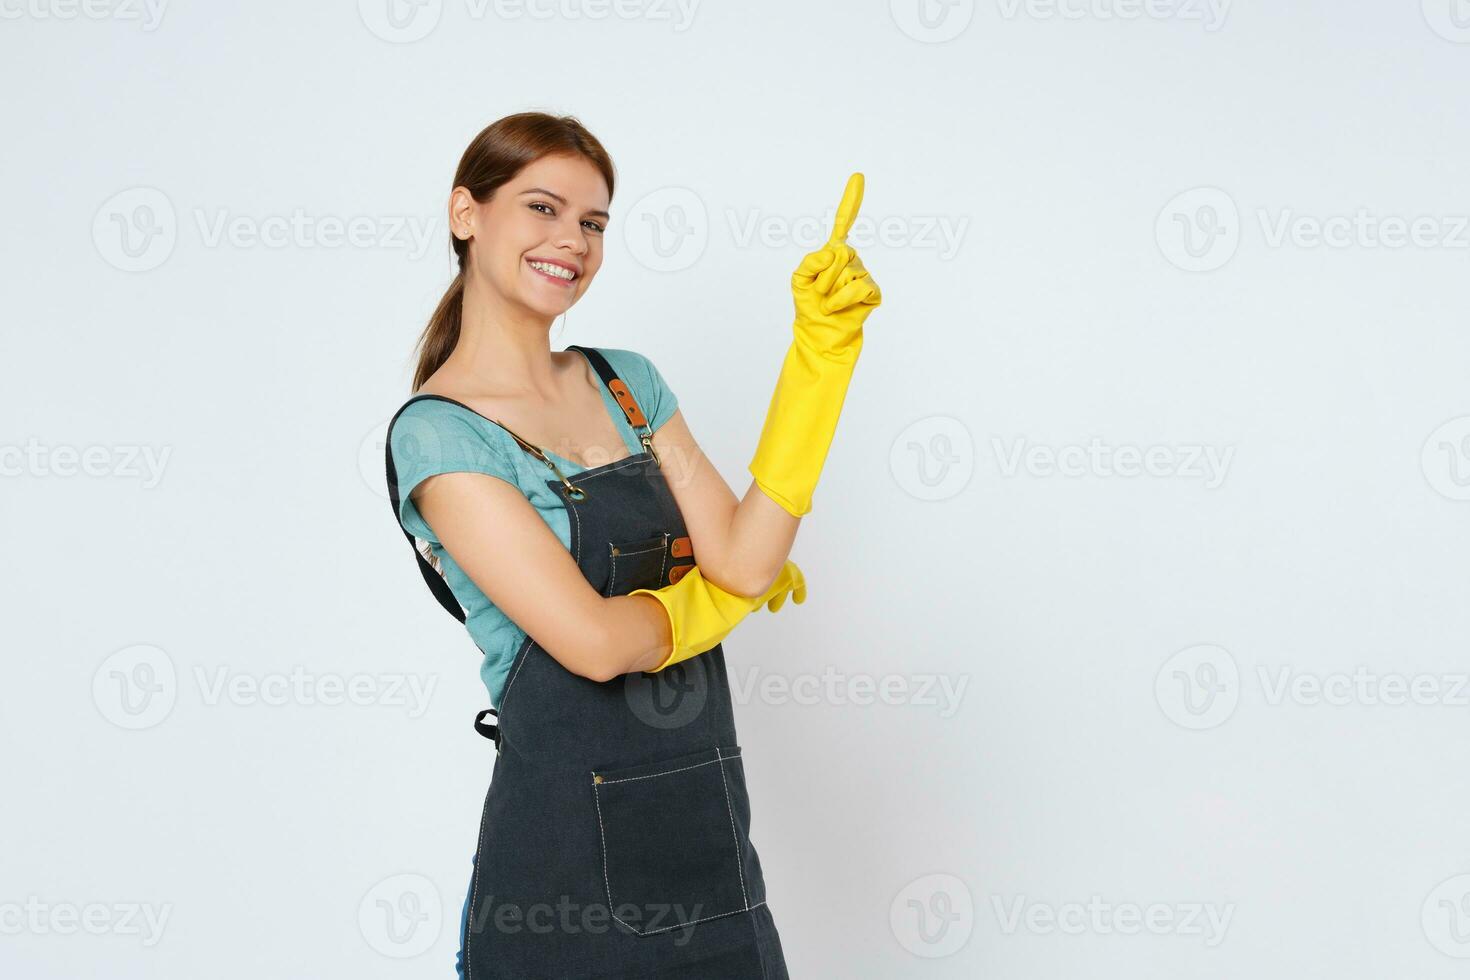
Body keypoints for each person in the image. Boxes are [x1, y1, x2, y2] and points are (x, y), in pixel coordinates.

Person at [382, 111, 881, 979]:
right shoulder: (441, 437)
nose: (570, 240)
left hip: (708, 841)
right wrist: (730, 595)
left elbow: (747, 553)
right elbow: (596, 643)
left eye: (593, 222)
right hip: (559, 879)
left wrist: (821, 359)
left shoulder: (627, 384)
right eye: (542, 207)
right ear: (467, 212)